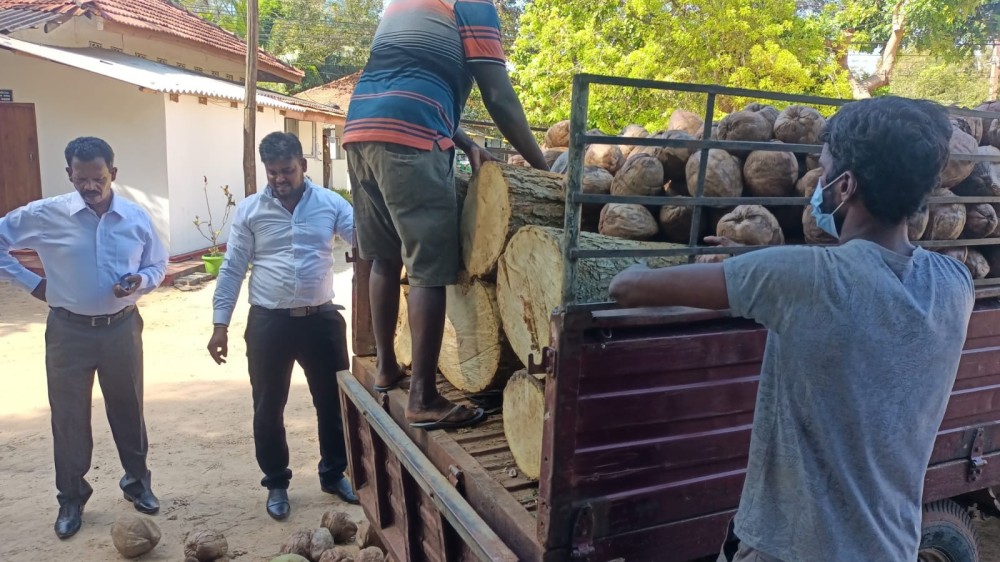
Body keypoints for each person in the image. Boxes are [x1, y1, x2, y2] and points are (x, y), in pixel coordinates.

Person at [608, 96, 975, 562]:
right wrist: (753, 266)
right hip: (890, 548)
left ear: (844, 188)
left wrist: (635, 270)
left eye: (824, 171)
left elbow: (629, 288)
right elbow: (849, 288)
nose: (817, 183)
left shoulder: (803, 280)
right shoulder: (954, 283)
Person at [344, 0, 548, 431]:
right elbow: (498, 95)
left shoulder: (404, 5)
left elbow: (411, 79)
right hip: (411, 137)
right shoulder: (472, 5)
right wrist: (543, 167)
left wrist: (465, 140)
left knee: (383, 257)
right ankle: (423, 398)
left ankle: (385, 368)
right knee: (429, 271)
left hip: (359, 130)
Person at [0, 137, 167, 539]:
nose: (90, 186)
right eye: (81, 179)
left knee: (129, 409)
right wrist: (32, 283)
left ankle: (137, 482)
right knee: (69, 418)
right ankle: (71, 498)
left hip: (122, 328)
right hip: (68, 332)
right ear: (69, 174)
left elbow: (157, 262)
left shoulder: (135, 216)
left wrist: (140, 281)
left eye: (98, 178)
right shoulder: (45, 214)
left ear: (113, 173)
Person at [207, 132, 357, 520]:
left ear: (303, 167)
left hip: (321, 320)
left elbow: (365, 239)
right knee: (268, 406)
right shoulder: (250, 211)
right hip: (268, 323)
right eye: (272, 172)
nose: (279, 179)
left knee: (332, 402)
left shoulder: (331, 204)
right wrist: (220, 323)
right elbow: (233, 268)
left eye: (287, 170)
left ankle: (333, 473)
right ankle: (276, 482)